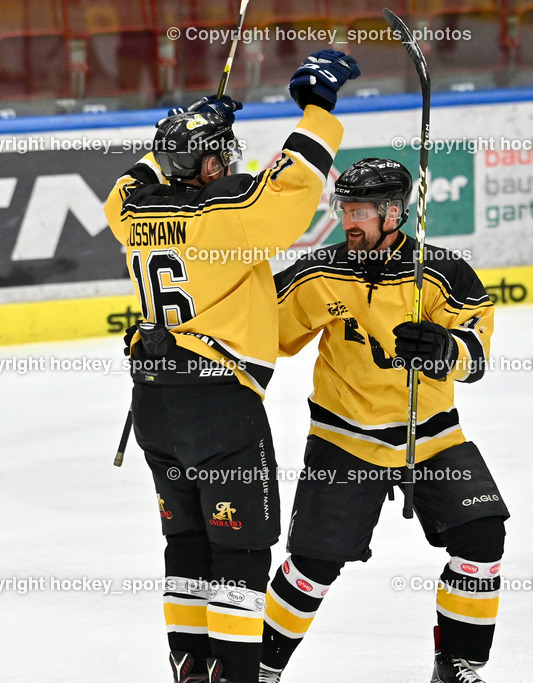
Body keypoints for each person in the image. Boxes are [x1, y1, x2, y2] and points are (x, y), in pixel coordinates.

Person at [103, 50, 360, 683]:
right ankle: (237, 675)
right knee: (240, 550)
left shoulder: (133, 215)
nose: (233, 161)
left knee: (185, 543)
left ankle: (191, 669)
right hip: (217, 409)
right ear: (211, 164)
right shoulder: (226, 218)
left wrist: (176, 139)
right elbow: (295, 186)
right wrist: (319, 110)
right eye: (223, 152)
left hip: (155, 404)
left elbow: (124, 186)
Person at [259, 159, 510, 683]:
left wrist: (445, 347)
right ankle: (259, 668)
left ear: (393, 213)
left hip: (432, 436)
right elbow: (261, 331)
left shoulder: (443, 274)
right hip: (345, 437)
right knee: (312, 564)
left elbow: (477, 356)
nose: (348, 220)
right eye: (344, 208)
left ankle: (457, 662)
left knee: (483, 536)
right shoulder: (319, 271)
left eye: (360, 211)